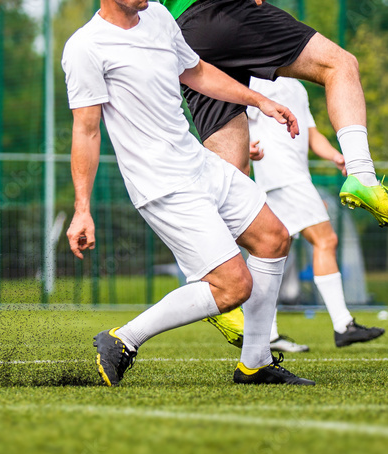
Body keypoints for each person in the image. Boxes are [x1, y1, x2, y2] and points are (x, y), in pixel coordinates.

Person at [62, 0, 315, 386]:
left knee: (273, 239)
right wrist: (82, 209)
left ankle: (255, 363)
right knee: (233, 286)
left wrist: (259, 100)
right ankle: (122, 340)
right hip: (161, 184)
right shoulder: (86, 47)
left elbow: (196, 72)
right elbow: (87, 130)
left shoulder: (160, 17)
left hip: (197, 162)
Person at [158, 0, 388, 234]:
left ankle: (210, 270)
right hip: (224, 11)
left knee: (233, 183)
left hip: (186, 34)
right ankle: (363, 175)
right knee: (340, 64)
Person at [247, 77, 386, 352]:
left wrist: (336, 156)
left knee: (273, 254)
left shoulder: (296, 87)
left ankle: (267, 334)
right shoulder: (253, 80)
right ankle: (343, 325)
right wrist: (245, 147)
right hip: (284, 177)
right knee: (326, 240)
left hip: (285, 179)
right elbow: (236, 116)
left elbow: (311, 134)